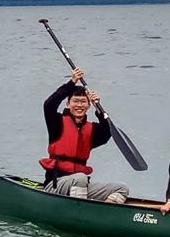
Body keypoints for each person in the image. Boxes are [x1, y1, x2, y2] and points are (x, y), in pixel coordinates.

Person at [40, 67, 129, 204]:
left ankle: (100, 211)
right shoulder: (56, 122)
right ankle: (78, 211)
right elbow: (49, 105)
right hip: (55, 185)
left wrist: (98, 108)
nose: (79, 105)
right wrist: (71, 82)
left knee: (122, 188)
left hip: (80, 186)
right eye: (75, 101)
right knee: (80, 178)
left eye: (83, 102)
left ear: (88, 105)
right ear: (68, 103)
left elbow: (106, 133)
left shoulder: (92, 129)